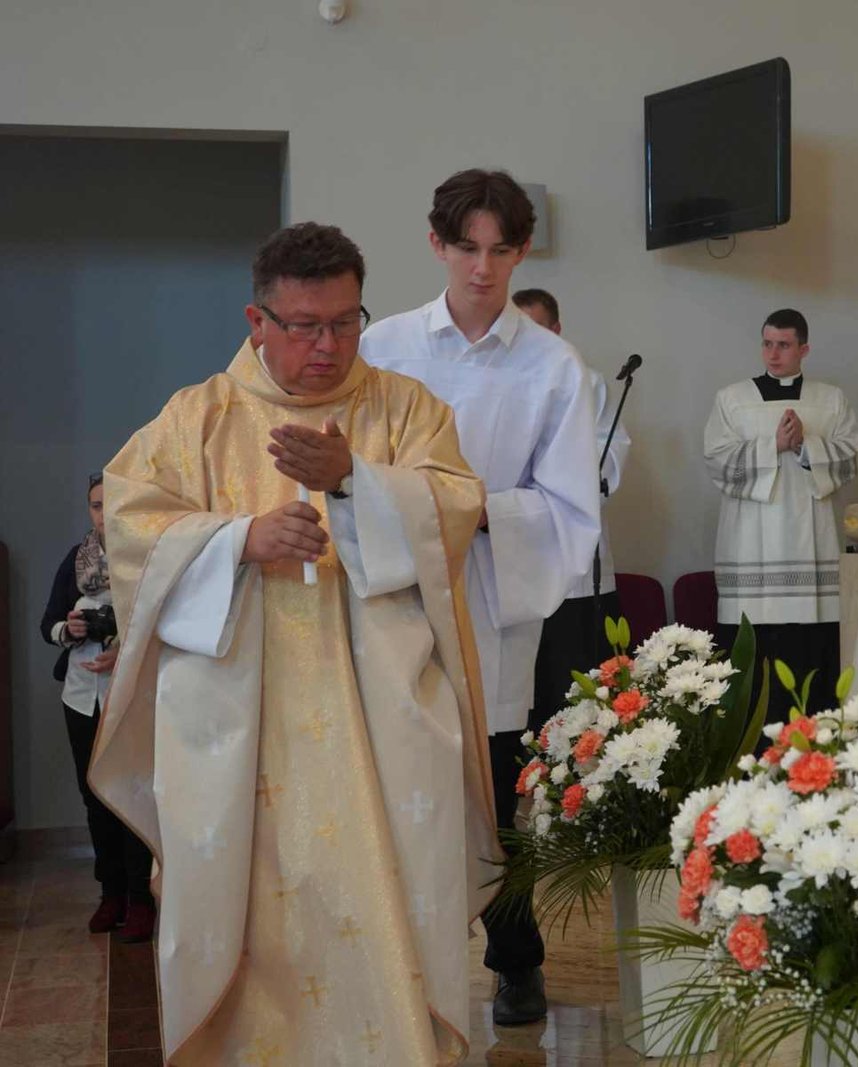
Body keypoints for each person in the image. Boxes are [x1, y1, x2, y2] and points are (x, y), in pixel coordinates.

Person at [92, 222, 497, 1065]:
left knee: (384, 898)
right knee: (251, 914)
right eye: (306, 325)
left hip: (378, 724)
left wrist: (354, 483)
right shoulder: (197, 417)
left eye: (346, 322)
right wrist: (240, 539)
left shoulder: (405, 409)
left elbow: (454, 508)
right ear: (258, 320)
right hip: (242, 734)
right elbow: (131, 526)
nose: (329, 346)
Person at [362, 171, 600, 1027]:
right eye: (466, 247)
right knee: (392, 783)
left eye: (501, 250)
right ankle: (394, 963)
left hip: (493, 601)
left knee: (496, 795)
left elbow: (570, 507)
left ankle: (515, 958)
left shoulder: (553, 365)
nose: (482, 267)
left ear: (523, 251)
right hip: (391, 595)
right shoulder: (385, 347)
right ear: (437, 244)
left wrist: (468, 511)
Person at [704, 308, 858, 714]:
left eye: (784, 345)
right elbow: (717, 463)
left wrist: (806, 447)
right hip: (750, 544)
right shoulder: (731, 398)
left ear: (803, 349)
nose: (773, 354)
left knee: (812, 657)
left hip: (813, 543)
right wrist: (772, 446)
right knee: (754, 665)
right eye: (767, 344)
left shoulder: (830, 399)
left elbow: (850, 461)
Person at [40, 471, 155, 941]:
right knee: (94, 797)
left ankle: (141, 898)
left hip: (127, 692)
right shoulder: (76, 561)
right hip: (80, 696)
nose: (103, 514)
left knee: (131, 794)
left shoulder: (143, 558)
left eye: (110, 502)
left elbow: (160, 624)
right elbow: (48, 624)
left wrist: (124, 647)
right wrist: (69, 630)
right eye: (95, 505)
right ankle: (111, 893)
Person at [509, 286, 629, 730]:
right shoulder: (497, 382)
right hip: (514, 553)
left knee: (574, 690)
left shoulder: (587, 382)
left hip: (573, 562)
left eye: (538, 328)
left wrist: (560, 473)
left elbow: (610, 454)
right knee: (521, 692)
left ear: (557, 330)